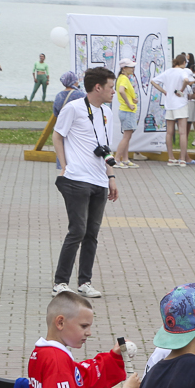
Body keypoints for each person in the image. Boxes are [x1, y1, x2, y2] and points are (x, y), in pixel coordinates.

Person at [51, 66, 119, 299]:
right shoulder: (73, 108)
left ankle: (84, 282)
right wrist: (64, 165)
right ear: (98, 87)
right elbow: (58, 135)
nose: (113, 91)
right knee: (77, 231)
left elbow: (105, 148)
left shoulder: (107, 112)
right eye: (111, 87)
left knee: (92, 233)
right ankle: (60, 282)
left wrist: (111, 176)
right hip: (76, 179)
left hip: (99, 180)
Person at [150, 56, 193, 167]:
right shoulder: (182, 71)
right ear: (183, 62)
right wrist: (182, 89)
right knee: (182, 132)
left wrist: (164, 91)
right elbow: (186, 80)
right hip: (181, 103)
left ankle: (171, 158)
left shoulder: (167, 72)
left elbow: (153, 81)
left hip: (169, 104)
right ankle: (182, 159)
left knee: (169, 132)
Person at [114, 57, 139, 168]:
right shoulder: (124, 78)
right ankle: (117, 159)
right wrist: (129, 104)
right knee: (126, 137)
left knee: (127, 136)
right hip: (127, 111)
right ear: (124, 68)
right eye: (130, 67)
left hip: (126, 110)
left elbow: (123, 92)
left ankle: (125, 159)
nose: (133, 69)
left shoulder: (122, 78)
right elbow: (121, 91)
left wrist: (133, 100)